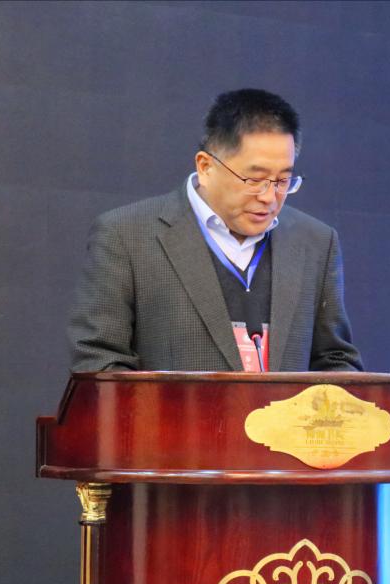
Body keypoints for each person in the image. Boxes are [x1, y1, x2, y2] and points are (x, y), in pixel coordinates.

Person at [68, 88, 363, 373]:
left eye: (283, 181)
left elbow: (335, 360)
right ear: (206, 167)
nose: (269, 197)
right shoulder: (126, 237)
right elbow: (100, 364)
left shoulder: (315, 243)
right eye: (254, 180)